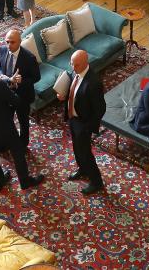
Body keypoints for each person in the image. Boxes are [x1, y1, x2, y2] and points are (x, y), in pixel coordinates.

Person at [0, 51, 45, 191]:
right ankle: (25, 181)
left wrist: (8, 80)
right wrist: (12, 86)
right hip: (3, 124)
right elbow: (16, 101)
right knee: (17, 151)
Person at [59, 50, 106, 195]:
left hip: (84, 123)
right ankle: (83, 169)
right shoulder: (75, 72)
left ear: (86, 63)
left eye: (76, 64)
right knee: (76, 148)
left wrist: (87, 128)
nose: (73, 67)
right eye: (72, 63)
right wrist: (64, 96)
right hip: (73, 118)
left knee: (85, 153)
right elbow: (75, 92)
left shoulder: (93, 83)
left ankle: (96, 182)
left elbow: (100, 109)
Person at [0, 29, 41, 149]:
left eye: (12, 42)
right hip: (7, 93)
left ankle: (23, 144)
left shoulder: (29, 58)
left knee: (23, 121)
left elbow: (37, 77)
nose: (9, 45)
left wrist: (22, 81)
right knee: (6, 119)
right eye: (7, 42)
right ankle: (8, 141)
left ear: (20, 42)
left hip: (23, 95)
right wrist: (4, 77)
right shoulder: (2, 50)